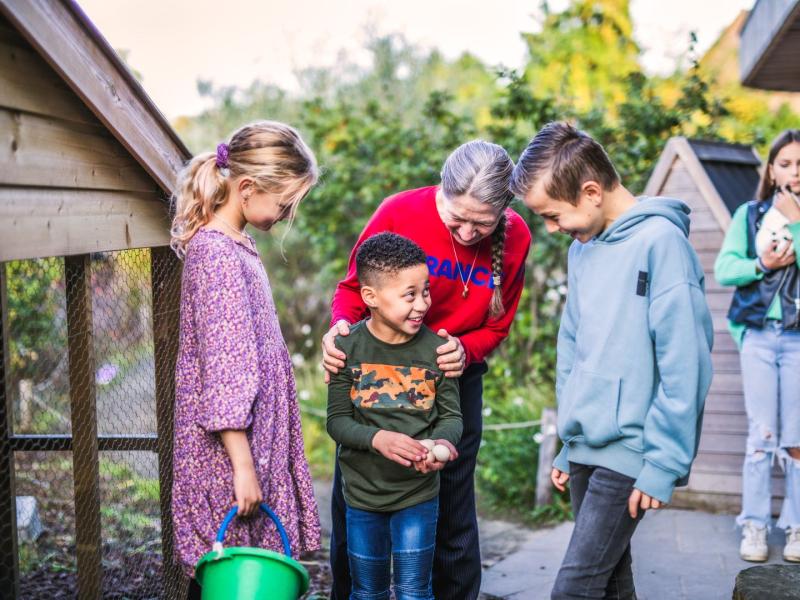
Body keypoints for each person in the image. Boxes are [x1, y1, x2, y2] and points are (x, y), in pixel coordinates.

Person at [512, 121, 713, 599]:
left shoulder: (661, 244)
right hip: (587, 446)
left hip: (633, 448)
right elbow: (573, 348)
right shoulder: (581, 250)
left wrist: (664, 461)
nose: (551, 229)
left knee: (575, 588)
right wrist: (568, 438)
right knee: (611, 586)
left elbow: (686, 363)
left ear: (591, 192)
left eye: (553, 215)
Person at [323, 140, 532, 600]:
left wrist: (465, 349)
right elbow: (354, 289)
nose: (467, 232)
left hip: (451, 379)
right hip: (378, 370)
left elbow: (498, 325)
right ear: (442, 188)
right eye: (457, 217)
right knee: (355, 499)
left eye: (483, 223)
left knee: (453, 503)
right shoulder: (400, 211)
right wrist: (340, 329)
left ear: (504, 211)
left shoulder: (516, 237)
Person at [169, 121, 322, 598]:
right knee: (228, 572)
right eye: (285, 203)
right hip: (230, 456)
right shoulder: (216, 254)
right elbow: (226, 371)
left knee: (246, 569)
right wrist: (243, 467)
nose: (288, 213)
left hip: (255, 444)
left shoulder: (237, 245)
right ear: (249, 187)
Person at [327, 231, 463, 600]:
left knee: (414, 592)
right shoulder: (345, 349)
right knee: (367, 592)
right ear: (370, 296)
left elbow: (451, 418)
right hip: (362, 497)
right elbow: (337, 422)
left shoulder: (440, 352)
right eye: (409, 295)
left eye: (426, 291)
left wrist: (442, 444)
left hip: (417, 497)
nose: (422, 304)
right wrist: (377, 439)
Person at [714, 129, 800, 564]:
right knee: (761, 434)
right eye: (785, 163)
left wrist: (795, 223)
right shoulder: (749, 214)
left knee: (799, 437)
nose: (794, 172)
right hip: (759, 337)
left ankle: (797, 525)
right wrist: (761, 262)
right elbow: (725, 268)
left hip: (799, 341)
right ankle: (755, 524)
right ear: (771, 169)